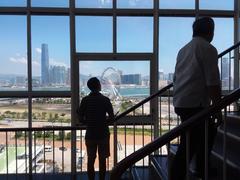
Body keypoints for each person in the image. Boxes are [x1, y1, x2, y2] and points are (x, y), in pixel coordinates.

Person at [171, 17, 221, 180]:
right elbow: (212, 82)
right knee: (190, 143)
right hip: (195, 104)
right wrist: (218, 108)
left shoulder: (183, 50)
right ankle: (185, 172)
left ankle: (200, 167)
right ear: (210, 31)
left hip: (181, 102)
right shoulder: (208, 49)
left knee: (199, 136)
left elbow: (177, 78)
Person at [77, 77, 114, 180]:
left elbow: (80, 119)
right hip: (103, 134)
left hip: (90, 134)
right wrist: (103, 121)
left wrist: (89, 121)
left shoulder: (85, 100)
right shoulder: (105, 100)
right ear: (98, 85)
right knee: (102, 161)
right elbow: (112, 118)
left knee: (90, 160)